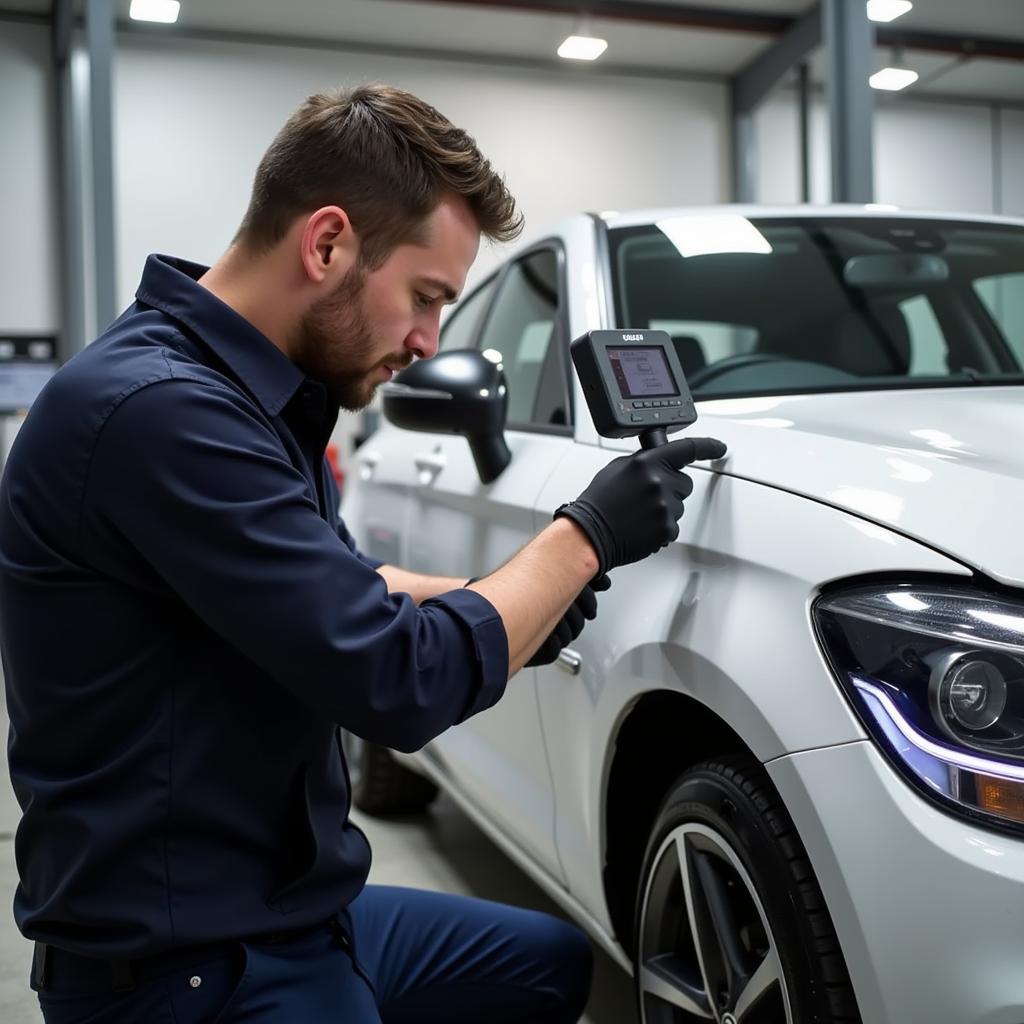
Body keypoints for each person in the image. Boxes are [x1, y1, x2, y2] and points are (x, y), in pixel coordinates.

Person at [0, 84, 726, 1023]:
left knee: (545, 962)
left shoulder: (247, 395)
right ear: (328, 243)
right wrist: (584, 535)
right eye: (425, 298)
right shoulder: (158, 412)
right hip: (187, 961)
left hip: (290, 908)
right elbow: (395, 684)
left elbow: (352, 586)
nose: (428, 342)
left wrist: (502, 605)